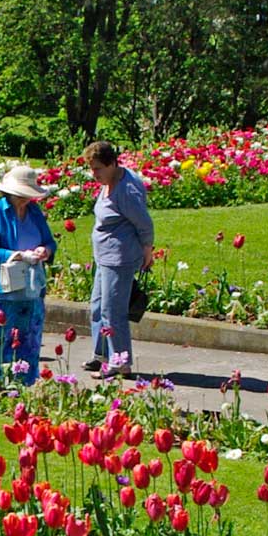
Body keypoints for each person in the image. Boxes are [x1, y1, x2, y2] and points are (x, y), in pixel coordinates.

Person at [0, 166, 55, 385]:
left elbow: (49, 241)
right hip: (1, 291)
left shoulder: (35, 212)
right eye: (22, 195)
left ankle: (23, 384)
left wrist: (44, 251)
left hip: (30, 290)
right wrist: (17, 255)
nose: (25, 200)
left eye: (29, 196)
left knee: (29, 342)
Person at [81, 141, 153, 377]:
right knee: (97, 308)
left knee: (113, 311)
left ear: (112, 164)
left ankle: (120, 361)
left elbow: (144, 223)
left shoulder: (127, 190)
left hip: (120, 258)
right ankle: (101, 355)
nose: (94, 175)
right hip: (104, 256)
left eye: (98, 169)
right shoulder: (109, 182)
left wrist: (147, 250)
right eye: (92, 169)